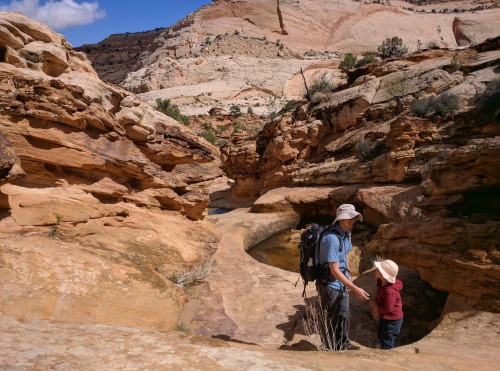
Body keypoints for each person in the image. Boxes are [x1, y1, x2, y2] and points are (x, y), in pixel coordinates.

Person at [316, 204, 370, 350]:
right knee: (331, 317)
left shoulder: (346, 233)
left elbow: (345, 255)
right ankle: (328, 346)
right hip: (329, 284)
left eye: (353, 217)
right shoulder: (331, 239)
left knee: (344, 315)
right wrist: (355, 288)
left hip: (341, 283)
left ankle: (343, 343)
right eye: (347, 217)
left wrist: (349, 277)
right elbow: (334, 270)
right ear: (340, 219)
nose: (351, 220)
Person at [369, 259, 404, 350]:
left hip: (393, 320)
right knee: (381, 335)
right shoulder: (381, 283)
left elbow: (389, 309)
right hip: (386, 317)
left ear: (384, 274)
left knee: (387, 340)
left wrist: (377, 309)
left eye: (378, 269)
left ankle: (386, 355)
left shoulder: (390, 291)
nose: (376, 269)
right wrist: (376, 308)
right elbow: (379, 297)